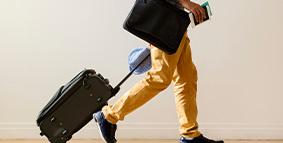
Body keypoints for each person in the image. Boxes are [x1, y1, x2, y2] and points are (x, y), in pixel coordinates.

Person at [94, 0, 224, 143]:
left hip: (174, 20)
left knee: (186, 78)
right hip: (166, 21)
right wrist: (185, 2)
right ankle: (109, 116)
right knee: (159, 78)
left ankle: (190, 134)